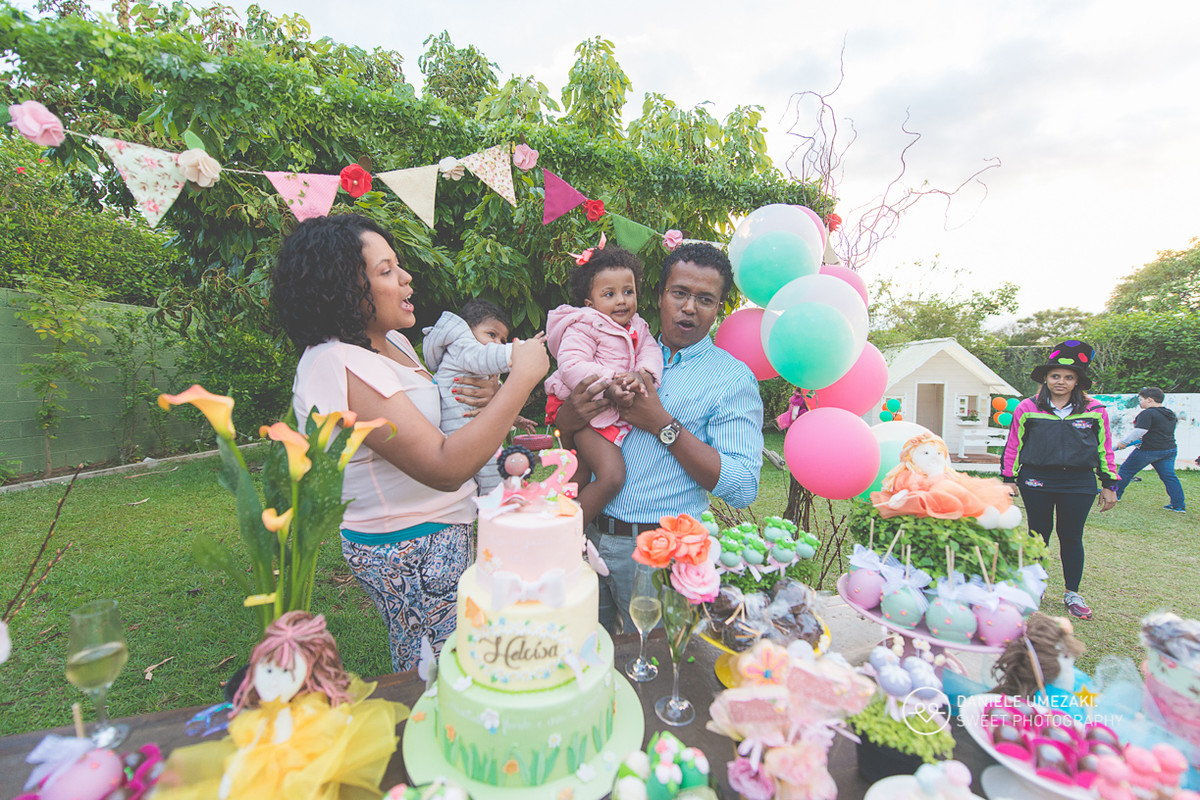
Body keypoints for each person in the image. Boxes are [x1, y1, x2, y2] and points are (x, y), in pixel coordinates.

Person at [271, 214, 548, 671]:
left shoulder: (392, 342)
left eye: (398, 266)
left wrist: (491, 396)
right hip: (407, 543)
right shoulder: (338, 362)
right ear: (340, 285)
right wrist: (522, 377)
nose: (406, 278)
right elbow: (442, 464)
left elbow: (439, 416)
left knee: (465, 656)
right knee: (437, 670)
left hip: (442, 528)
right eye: (385, 271)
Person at [555, 242, 764, 632]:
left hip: (658, 554)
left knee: (651, 666)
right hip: (588, 537)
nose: (689, 307)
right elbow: (579, 446)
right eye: (679, 293)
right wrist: (566, 424)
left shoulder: (731, 379)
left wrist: (663, 425)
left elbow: (743, 485)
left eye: (705, 299)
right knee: (586, 657)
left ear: (719, 307)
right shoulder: (618, 349)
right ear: (659, 295)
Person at [544, 243, 663, 525]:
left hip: (608, 412)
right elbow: (571, 364)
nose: (621, 300)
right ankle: (562, 532)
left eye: (628, 291)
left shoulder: (638, 326)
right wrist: (609, 383)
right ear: (590, 303)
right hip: (585, 410)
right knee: (611, 477)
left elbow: (650, 352)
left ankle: (558, 518)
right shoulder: (586, 324)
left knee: (582, 474)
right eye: (609, 294)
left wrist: (643, 374)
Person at [1001, 340, 1119, 621]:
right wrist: (1008, 478)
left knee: (1071, 537)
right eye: (1055, 376)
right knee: (1037, 535)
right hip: (1036, 481)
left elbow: (1105, 449)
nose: (1061, 382)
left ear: (1077, 381)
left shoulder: (1095, 409)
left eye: (1068, 377)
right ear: (1046, 378)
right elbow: (1013, 445)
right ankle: (1034, 588)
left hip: (1079, 484)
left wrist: (1109, 484)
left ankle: (1072, 593)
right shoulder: (1027, 407)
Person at [423, 298, 535, 494]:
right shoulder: (462, 346)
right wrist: (524, 351)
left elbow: (498, 399)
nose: (496, 343)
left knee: (489, 470)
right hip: (460, 430)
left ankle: (493, 503)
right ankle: (497, 504)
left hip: (476, 429)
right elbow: (487, 357)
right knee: (491, 476)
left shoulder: (479, 367)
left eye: (502, 340)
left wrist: (515, 419)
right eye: (491, 334)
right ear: (467, 331)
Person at [1114, 387, 1186, 512]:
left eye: (1141, 400)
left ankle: (1114, 495)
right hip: (1169, 450)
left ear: (1150, 400)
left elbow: (1140, 431)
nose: (1140, 403)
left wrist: (1124, 442)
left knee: (1125, 471)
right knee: (1169, 477)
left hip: (1149, 451)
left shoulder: (1147, 413)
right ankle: (1178, 505)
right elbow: (1158, 432)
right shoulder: (1169, 413)